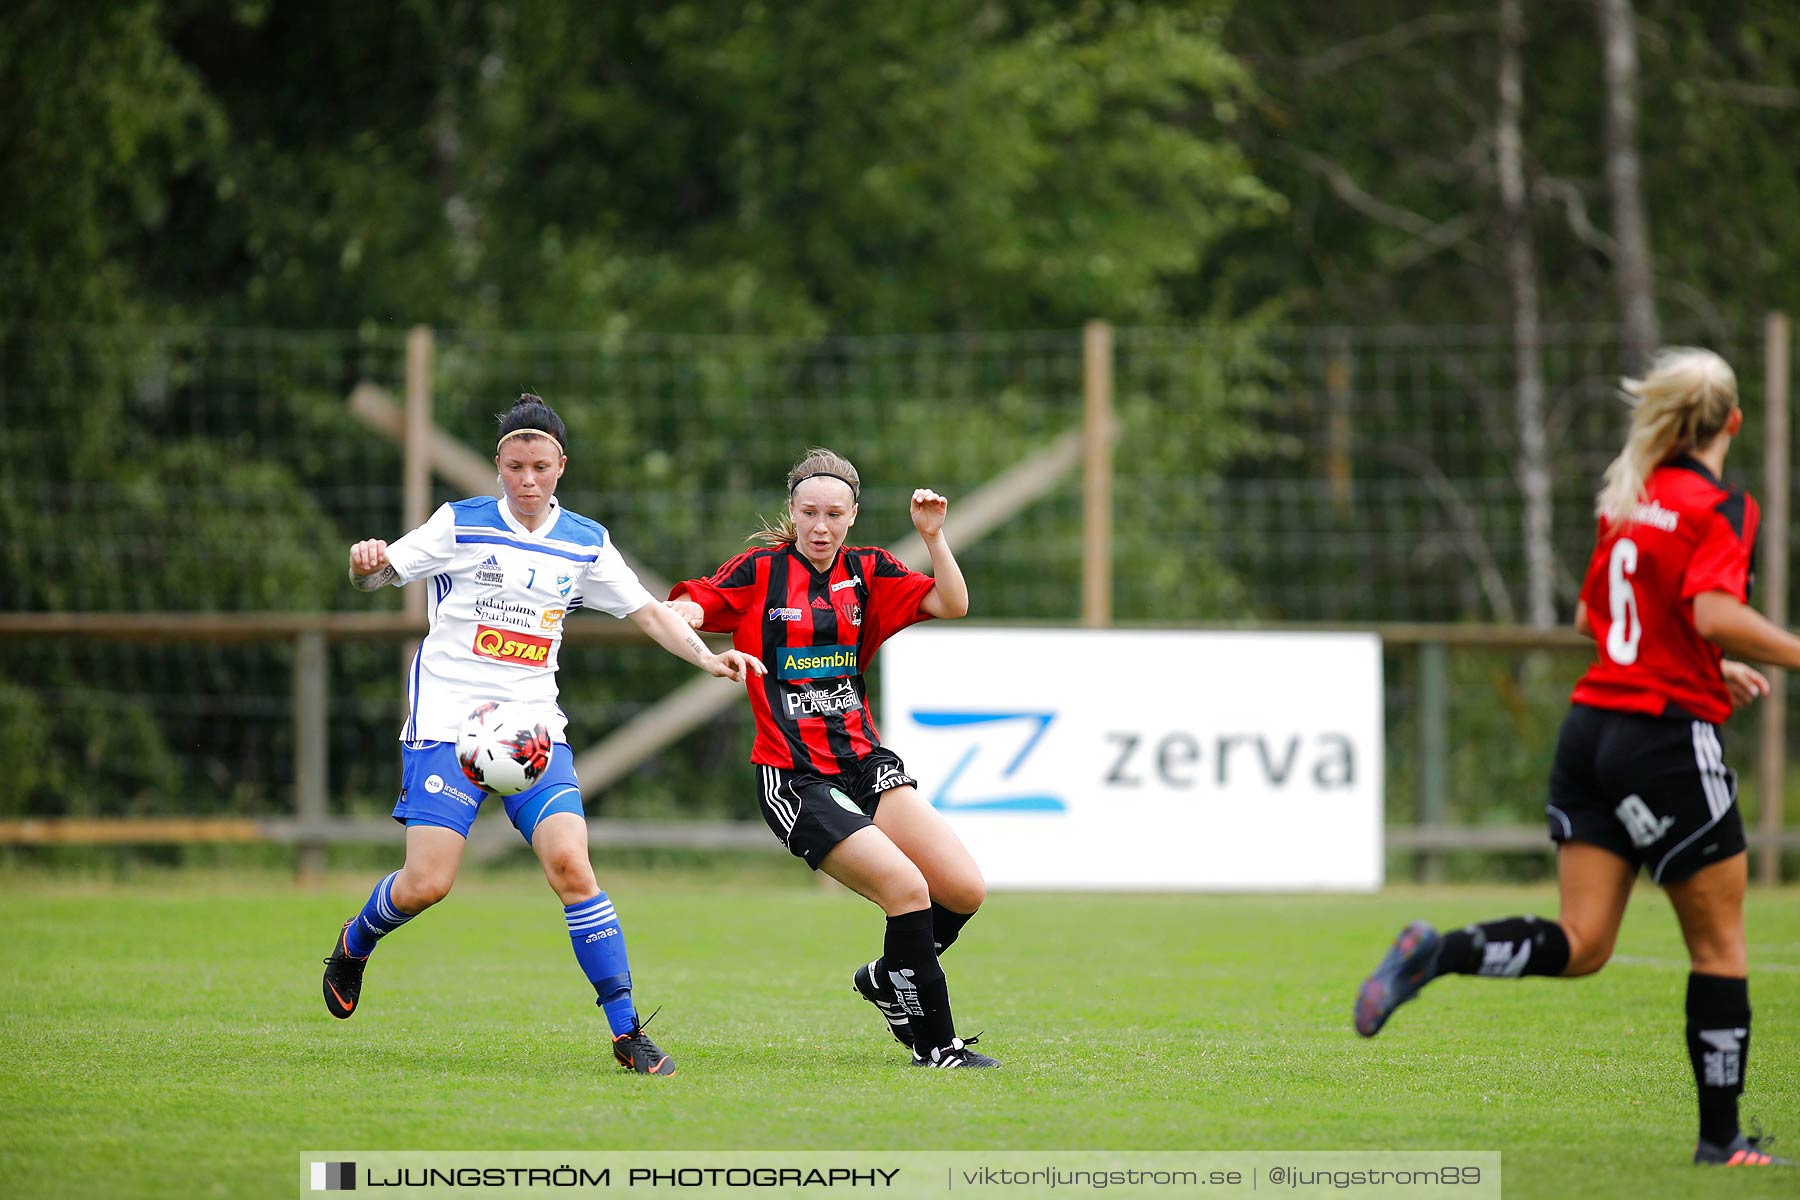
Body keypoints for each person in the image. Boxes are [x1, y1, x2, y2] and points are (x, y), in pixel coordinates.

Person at [1353, 348, 1792, 1167]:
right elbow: (1715, 612)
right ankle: (1722, 1140)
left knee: (1585, 942)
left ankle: (1435, 953)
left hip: (1591, 731)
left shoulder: (1627, 497)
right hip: (1661, 738)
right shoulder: (1719, 506)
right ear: (1733, 421)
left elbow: (1603, 622)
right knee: (1721, 948)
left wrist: (1708, 661)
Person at [320, 393, 765, 1078]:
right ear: (498, 465)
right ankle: (355, 942)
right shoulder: (460, 524)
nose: (527, 481)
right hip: (447, 727)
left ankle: (626, 1031)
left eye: (541, 467)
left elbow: (648, 610)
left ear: (562, 466)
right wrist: (363, 563)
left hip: (532, 733)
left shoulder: (584, 539)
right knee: (428, 883)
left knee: (572, 868)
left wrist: (708, 656)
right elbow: (377, 576)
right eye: (515, 466)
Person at [665, 447, 997, 1068]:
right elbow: (693, 603)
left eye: (834, 514)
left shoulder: (869, 571)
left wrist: (934, 536)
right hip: (793, 775)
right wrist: (683, 614)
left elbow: (952, 603)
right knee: (906, 888)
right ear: (792, 511)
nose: (821, 526)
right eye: (809, 512)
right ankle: (938, 1047)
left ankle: (886, 977)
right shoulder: (760, 570)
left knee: (963, 889)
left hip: (863, 759)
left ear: (852, 518)